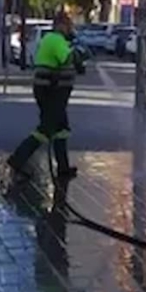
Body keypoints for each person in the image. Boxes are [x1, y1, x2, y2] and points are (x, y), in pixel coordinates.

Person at [7, 11, 86, 183]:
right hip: (52, 92)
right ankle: (17, 159)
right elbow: (66, 59)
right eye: (68, 26)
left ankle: (63, 168)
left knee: (61, 129)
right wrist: (79, 52)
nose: (70, 29)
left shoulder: (53, 39)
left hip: (53, 91)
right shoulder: (55, 40)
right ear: (60, 26)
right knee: (46, 129)